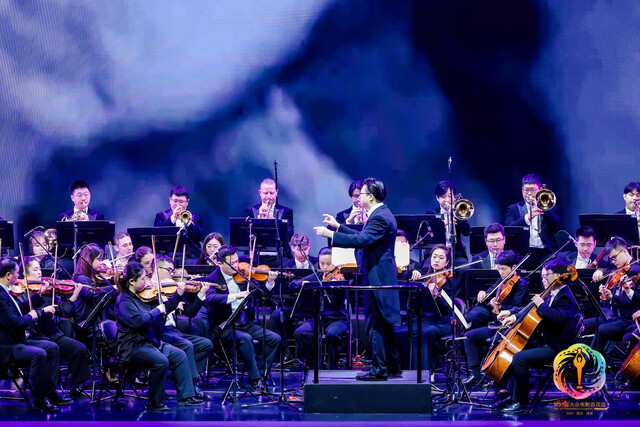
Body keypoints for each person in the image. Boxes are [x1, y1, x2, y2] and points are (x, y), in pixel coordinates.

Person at [315, 177, 401, 381]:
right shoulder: (380, 214)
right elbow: (364, 235)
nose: (358, 197)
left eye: (361, 194)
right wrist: (338, 226)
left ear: (371, 197)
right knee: (383, 322)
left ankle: (379, 369)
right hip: (378, 275)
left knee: (376, 323)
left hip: (377, 278)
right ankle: (392, 365)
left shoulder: (380, 217)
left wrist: (331, 235)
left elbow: (362, 239)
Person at [115, 262, 202, 410]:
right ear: (132, 281)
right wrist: (156, 310)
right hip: (133, 346)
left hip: (149, 341)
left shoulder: (141, 297)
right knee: (161, 361)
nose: (147, 281)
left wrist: (178, 296)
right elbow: (138, 321)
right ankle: (155, 402)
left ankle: (186, 397)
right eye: (143, 278)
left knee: (179, 355)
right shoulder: (124, 301)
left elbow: (162, 310)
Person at [497, 258, 578, 412]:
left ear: (557, 275)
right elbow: (532, 312)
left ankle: (521, 401)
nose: (543, 280)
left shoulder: (565, 296)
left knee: (519, 358)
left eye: (546, 276)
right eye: (542, 277)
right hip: (548, 341)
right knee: (515, 351)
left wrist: (541, 304)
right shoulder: (553, 293)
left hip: (557, 347)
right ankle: (513, 395)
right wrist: (514, 316)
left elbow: (558, 318)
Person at [199, 245, 281, 391]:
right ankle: (255, 379)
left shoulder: (243, 274)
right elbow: (211, 298)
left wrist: (269, 283)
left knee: (274, 338)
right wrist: (235, 296)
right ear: (220, 263)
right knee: (246, 339)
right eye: (232, 263)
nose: (236, 265)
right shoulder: (212, 278)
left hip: (244, 322)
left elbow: (259, 293)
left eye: (237, 261)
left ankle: (260, 373)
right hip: (224, 325)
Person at [0, 257, 70, 412]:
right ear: (8, 275)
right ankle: (40, 400)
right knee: (39, 354)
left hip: (19, 341)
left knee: (52, 347)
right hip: (8, 346)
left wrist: (39, 296)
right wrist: (32, 316)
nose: (19, 276)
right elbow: (13, 322)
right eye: (17, 273)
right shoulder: (0, 295)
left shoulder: (7, 292)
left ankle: (51, 393)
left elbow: (22, 310)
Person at [19, 257, 91, 399]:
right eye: (35, 269)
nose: (39, 272)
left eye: (39, 269)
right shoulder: (21, 292)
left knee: (79, 349)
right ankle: (49, 392)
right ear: (25, 273)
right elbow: (24, 311)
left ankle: (75, 386)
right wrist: (38, 294)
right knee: (52, 349)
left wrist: (73, 297)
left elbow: (64, 311)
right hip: (35, 336)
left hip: (52, 333)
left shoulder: (47, 290)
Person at [147, 255, 213, 400]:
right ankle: (191, 388)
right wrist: (175, 298)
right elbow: (157, 314)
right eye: (169, 270)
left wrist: (201, 293)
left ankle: (186, 376)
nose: (172, 274)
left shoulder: (170, 289)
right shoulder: (148, 290)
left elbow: (191, 312)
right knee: (187, 345)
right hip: (159, 332)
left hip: (174, 332)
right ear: (157, 269)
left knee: (205, 344)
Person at [462, 251, 529, 386]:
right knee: (468, 337)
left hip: (510, 327)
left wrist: (500, 306)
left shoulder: (521, 284)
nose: (500, 272)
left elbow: (518, 307)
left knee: (495, 341)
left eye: (503, 269)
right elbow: (490, 292)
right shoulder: (502, 280)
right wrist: (484, 294)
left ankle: (496, 377)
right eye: (498, 269)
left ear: (514, 267)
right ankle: (475, 374)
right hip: (497, 324)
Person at [290, 247, 348, 370]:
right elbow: (292, 285)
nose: (325, 267)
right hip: (318, 318)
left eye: (328, 263)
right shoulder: (317, 276)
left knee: (332, 334)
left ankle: (332, 367)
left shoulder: (340, 278)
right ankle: (315, 365)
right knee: (300, 333)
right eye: (322, 263)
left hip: (337, 318)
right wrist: (303, 284)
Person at [588, 237, 640, 355]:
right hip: (617, 316)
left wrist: (612, 297)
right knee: (585, 324)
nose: (612, 262)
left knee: (601, 329)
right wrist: (600, 271)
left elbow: (630, 302)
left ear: (624, 252)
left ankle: (594, 361)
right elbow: (608, 270)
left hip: (629, 319)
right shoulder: (620, 268)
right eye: (610, 259)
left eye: (614, 258)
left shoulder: (634, 271)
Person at [244, 178, 294, 262]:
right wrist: (258, 220)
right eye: (265, 193)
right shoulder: (250, 211)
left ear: (276, 192)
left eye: (271, 193)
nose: (268, 197)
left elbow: (289, 236)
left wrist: (274, 222)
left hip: (279, 255)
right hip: (256, 255)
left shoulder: (286, 211)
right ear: (260, 193)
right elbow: (244, 235)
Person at [426, 181, 470, 267]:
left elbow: (467, 232)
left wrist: (457, 216)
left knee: (465, 268)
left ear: (454, 197)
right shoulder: (431, 213)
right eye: (443, 197)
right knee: (425, 267)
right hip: (437, 254)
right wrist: (443, 225)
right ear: (437, 198)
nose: (447, 200)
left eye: (450, 196)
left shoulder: (458, 211)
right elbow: (429, 238)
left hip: (456, 254)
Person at [154, 186, 205, 258]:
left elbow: (200, 237)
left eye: (181, 202)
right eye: (175, 201)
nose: (178, 204)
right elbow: (157, 234)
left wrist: (189, 222)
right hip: (167, 255)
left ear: (187, 202)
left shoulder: (195, 218)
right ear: (170, 200)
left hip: (190, 257)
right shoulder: (161, 216)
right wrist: (173, 218)